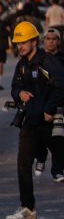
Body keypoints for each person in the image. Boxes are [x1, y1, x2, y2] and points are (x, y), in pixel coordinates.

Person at [6, 22, 64, 219]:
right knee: (23, 164)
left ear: (34, 41)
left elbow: (61, 86)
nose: (20, 46)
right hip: (30, 122)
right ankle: (27, 208)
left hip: (49, 122)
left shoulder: (47, 62)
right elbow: (14, 87)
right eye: (17, 43)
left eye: (23, 42)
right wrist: (19, 93)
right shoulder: (21, 65)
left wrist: (49, 110)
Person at [34, 27, 64, 182]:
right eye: (48, 38)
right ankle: (40, 157)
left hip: (58, 104)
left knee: (58, 137)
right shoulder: (37, 58)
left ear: (58, 42)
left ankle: (58, 171)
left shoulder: (61, 59)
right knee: (38, 137)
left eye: (54, 39)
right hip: (39, 103)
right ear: (43, 40)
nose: (51, 41)